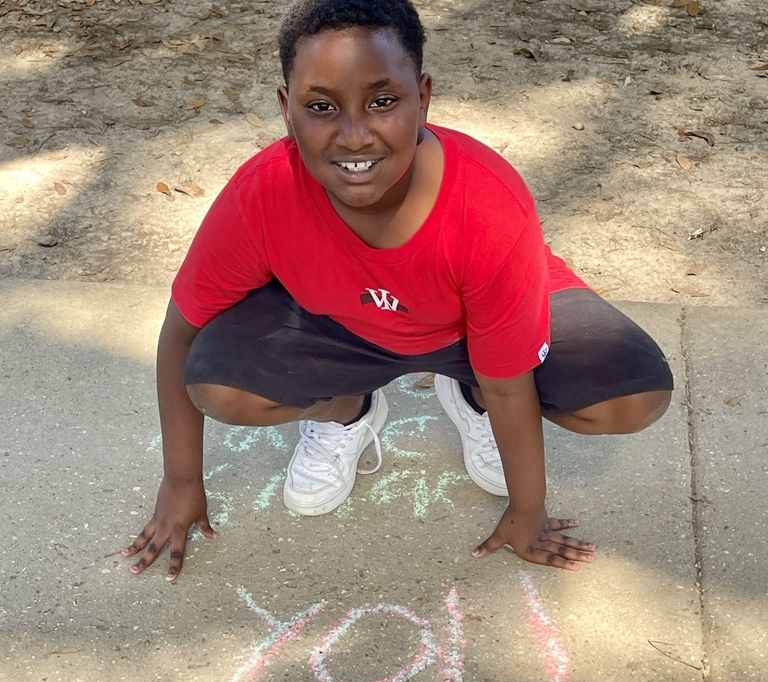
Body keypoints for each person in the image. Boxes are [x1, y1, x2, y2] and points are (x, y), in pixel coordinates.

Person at [122, 0, 673, 582]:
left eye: (383, 102)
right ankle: (346, 408)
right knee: (218, 385)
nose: (355, 135)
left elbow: (512, 386)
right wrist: (181, 483)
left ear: (424, 97)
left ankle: (469, 398)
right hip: (347, 326)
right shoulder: (264, 191)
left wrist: (526, 511)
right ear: (286, 109)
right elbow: (181, 333)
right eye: (321, 107)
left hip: (470, 331)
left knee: (628, 398)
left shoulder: (484, 207)